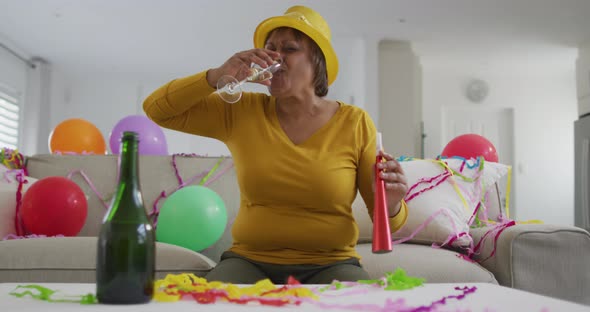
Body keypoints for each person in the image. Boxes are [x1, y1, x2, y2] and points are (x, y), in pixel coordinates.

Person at [143, 5, 408, 284]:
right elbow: (157, 110)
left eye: (290, 48)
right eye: (270, 48)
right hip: (250, 261)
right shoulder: (241, 111)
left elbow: (385, 224)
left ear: (317, 62)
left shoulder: (354, 122)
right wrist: (218, 74)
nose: (274, 57)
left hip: (331, 263)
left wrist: (391, 205)